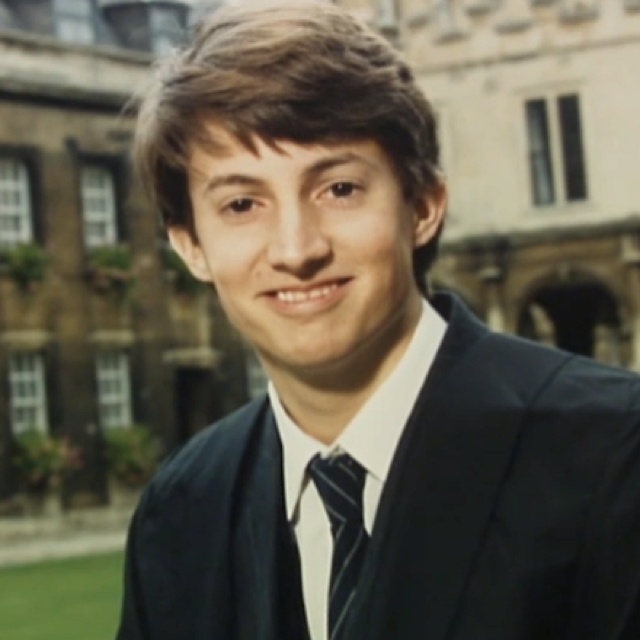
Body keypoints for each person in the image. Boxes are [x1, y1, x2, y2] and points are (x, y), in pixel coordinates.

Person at [116, 2, 640, 639]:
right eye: (242, 203)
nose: (296, 249)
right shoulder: (179, 512)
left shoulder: (613, 458)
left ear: (422, 205)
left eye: (338, 189)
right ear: (190, 245)